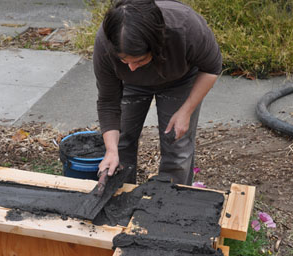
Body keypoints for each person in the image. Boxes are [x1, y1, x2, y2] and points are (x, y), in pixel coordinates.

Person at [93, 0, 222, 185]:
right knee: (121, 143)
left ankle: (171, 202)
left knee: (176, 147)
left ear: (156, 45)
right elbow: (108, 102)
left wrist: (186, 111)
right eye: (124, 60)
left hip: (180, 79)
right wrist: (111, 151)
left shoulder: (185, 26)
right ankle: (121, 198)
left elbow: (212, 68)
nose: (131, 67)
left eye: (139, 60)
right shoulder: (106, 42)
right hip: (131, 85)